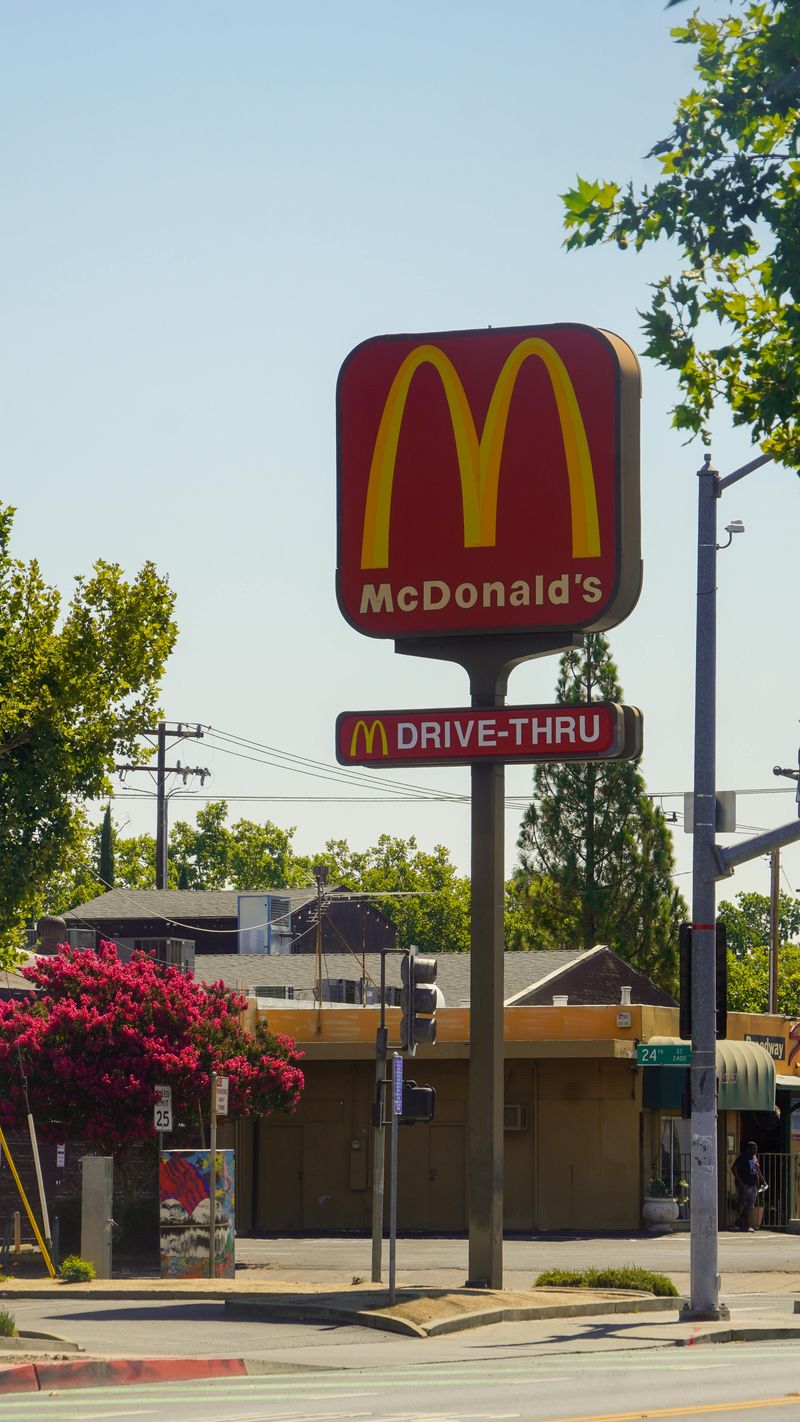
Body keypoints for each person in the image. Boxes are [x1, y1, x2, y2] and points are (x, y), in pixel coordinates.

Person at [731, 1140, 766, 1231]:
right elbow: (734, 1168)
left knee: (750, 1205)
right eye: (754, 1148)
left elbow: (758, 1170)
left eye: (756, 1148)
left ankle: (743, 1223)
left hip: (753, 1184)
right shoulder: (743, 1157)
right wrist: (740, 1181)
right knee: (745, 1204)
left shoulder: (754, 1158)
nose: (755, 1150)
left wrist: (763, 1181)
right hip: (745, 1184)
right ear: (749, 1148)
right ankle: (743, 1224)